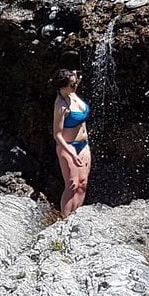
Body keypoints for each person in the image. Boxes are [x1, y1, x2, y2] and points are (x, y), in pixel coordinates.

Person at [52, 68, 91, 217]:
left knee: (83, 184)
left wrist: (75, 78)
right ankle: (64, 220)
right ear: (62, 87)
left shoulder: (71, 93)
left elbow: (73, 83)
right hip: (68, 146)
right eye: (72, 85)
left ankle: (76, 216)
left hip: (83, 145)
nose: (75, 87)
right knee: (72, 185)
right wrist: (72, 154)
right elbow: (57, 135)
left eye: (75, 84)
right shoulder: (60, 106)